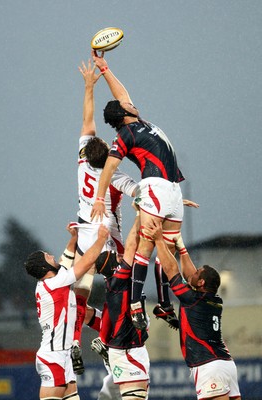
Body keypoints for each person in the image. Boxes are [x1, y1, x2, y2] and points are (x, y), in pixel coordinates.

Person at [90, 50, 186, 330]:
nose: (131, 103)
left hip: (172, 189)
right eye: (127, 105)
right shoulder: (125, 135)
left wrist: (105, 68)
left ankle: (164, 304)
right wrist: (99, 196)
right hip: (153, 186)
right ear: (124, 113)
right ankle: (135, 305)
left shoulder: (138, 123)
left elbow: (122, 93)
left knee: (166, 249)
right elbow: (109, 167)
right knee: (143, 247)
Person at [70, 59, 138, 372]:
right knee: (119, 289)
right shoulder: (114, 176)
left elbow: (87, 120)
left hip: (83, 240)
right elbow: (139, 192)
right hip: (106, 242)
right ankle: (108, 339)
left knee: (80, 294)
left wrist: (88, 86)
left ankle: (74, 342)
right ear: (107, 156)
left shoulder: (83, 161)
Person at [144, 221, 241, 400]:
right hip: (226, 365)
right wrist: (181, 248)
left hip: (209, 366)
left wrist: (159, 240)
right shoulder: (215, 300)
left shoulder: (192, 299)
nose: (192, 273)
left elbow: (171, 269)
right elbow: (190, 277)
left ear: (202, 283)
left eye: (198, 273)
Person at [24, 223, 109, 400]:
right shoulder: (55, 283)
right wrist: (101, 239)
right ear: (44, 268)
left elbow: (65, 259)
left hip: (64, 354)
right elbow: (85, 263)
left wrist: (73, 238)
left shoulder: (53, 280)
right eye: (48, 256)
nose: (53, 256)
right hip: (53, 355)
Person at [92, 214, 150, 400]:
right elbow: (132, 244)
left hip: (126, 348)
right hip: (128, 349)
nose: (120, 257)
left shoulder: (114, 282)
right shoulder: (118, 279)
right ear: (112, 265)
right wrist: (140, 215)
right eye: (115, 257)